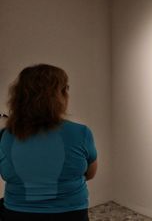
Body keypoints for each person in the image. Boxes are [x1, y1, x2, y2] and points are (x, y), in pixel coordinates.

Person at [0, 64, 97, 221]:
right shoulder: (80, 132)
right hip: (71, 212)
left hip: (17, 212)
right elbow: (90, 173)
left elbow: (6, 174)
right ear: (61, 95)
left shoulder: (5, 136)